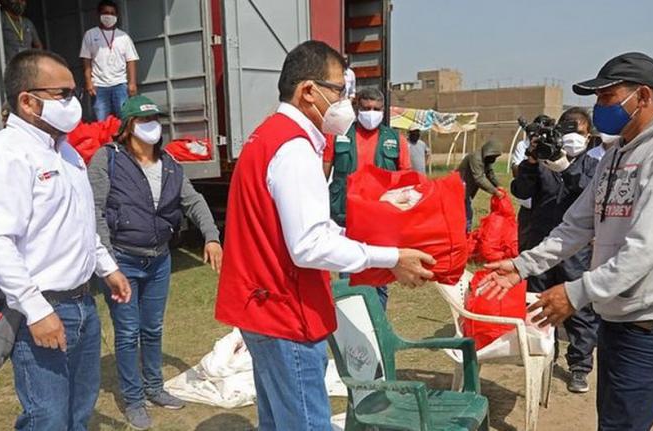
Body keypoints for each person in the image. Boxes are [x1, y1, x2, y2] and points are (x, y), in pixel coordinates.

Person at [479, 52, 653, 431]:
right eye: (597, 98)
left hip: (652, 328)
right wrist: (522, 265)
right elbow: (577, 226)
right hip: (618, 320)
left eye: (607, 97)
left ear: (644, 97)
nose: (599, 107)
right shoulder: (616, 153)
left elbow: (648, 247)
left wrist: (576, 293)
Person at [215, 40, 435, 431]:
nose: (347, 103)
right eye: (340, 91)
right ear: (308, 92)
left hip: (261, 307)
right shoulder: (294, 149)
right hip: (285, 312)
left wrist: (373, 244)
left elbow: (302, 227)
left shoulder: (266, 137)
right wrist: (390, 258)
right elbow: (309, 245)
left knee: (279, 419)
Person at [0, 49, 131, 431]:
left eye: (75, 93)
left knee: (79, 408)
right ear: (27, 100)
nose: (75, 103)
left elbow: (78, 222)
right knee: (48, 418)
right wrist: (37, 312)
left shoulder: (67, 152)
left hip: (82, 304)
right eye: (64, 94)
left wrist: (108, 268)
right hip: (41, 310)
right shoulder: (5, 156)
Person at [87, 95, 223, 429]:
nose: (152, 127)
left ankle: (154, 388)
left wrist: (212, 236)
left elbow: (193, 200)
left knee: (152, 328)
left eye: (155, 121)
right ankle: (133, 399)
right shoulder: (108, 160)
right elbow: (95, 210)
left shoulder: (171, 164)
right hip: (123, 261)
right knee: (128, 331)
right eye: (144, 121)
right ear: (128, 126)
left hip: (159, 260)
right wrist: (108, 264)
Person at [511, 107, 601, 393]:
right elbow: (521, 192)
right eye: (568, 131)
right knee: (538, 304)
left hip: (576, 251)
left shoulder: (592, 166)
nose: (574, 137)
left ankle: (580, 365)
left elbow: (588, 193)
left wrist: (564, 166)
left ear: (589, 137)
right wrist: (532, 158)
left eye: (580, 132)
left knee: (579, 309)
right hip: (540, 246)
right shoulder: (541, 162)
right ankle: (544, 355)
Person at [323, 86, 412, 310]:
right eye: (366, 108)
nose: (371, 113)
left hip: (381, 222)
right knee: (349, 278)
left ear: (383, 110)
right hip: (346, 221)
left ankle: (377, 328)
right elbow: (320, 177)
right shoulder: (338, 137)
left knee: (379, 280)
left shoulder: (395, 140)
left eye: (376, 109)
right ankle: (352, 334)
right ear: (356, 108)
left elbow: (406, 183)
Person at [80, 0, 139, 121]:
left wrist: (132, 83)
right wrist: (88, 82)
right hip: (99, 86)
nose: (109, 16)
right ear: (99, 14)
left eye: (112, 13)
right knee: (101, 120)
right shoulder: (90, 34)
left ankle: (123, 140)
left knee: (125, 118)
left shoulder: (123, 37)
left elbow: (131, 60)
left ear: (116, 16)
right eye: (106, 12)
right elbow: (86, 60)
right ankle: (106, 140)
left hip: (120, 84)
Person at [512, 115, 552, 251]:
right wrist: (531, 162)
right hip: (527, 205)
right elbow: (516, 171)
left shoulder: (553, 145)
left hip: (546, 206)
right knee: (524, 243)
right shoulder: (523, 145)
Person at [457, 140, 505, 232]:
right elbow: (479, 178)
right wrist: (495, 191)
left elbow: (489, 173)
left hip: (467, 189)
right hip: (459, 188)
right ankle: (464, 236)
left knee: (465, 214)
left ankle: (464, 235)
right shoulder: (476, 158)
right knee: (467, 215)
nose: (494, 159)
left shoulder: (486, 159)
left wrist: (498, 185)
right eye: (493, 156)